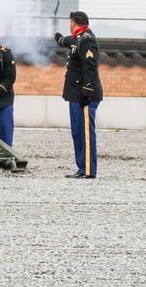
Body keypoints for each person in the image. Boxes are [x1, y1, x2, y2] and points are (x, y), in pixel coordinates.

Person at [55, 11, 104, 179]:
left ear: (73, 23)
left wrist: (87, 91)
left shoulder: (87, 40)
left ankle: (89, 170)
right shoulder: (78, 38)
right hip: (74, 93)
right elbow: (71, 42)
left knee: (85, 134)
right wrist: (61, 39)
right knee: (77, 133)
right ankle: (81, 168)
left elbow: (90, 67)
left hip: (84, 94)